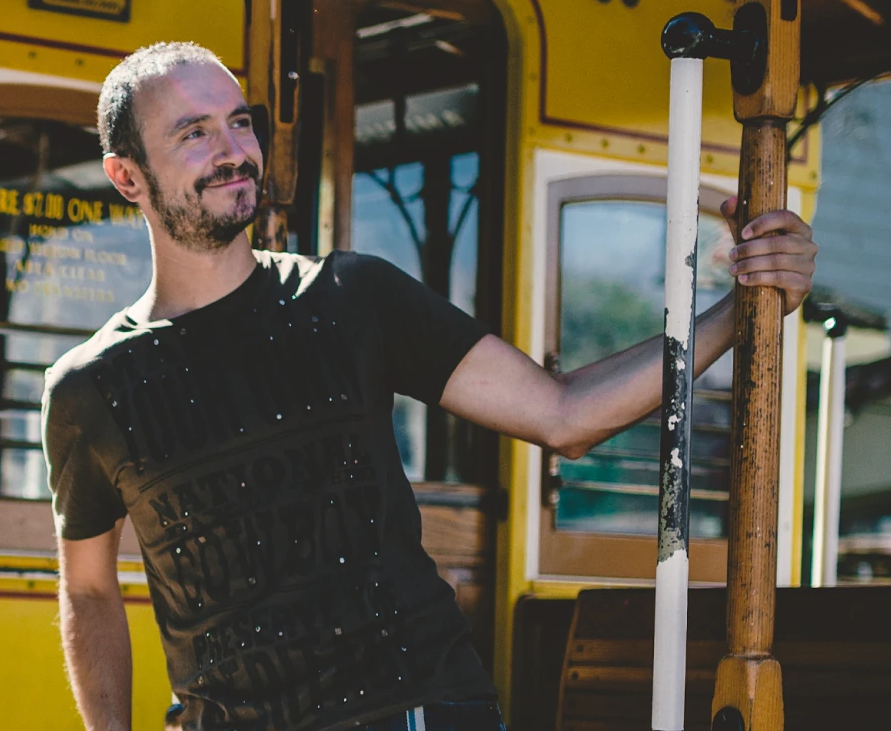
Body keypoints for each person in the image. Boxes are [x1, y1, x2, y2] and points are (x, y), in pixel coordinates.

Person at [46, 42, 816, 731]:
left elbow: (565, 414)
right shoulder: (91, 387)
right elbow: (87, 590)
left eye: (239, 122)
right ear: (127, 176)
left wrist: (743, 310)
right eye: (194, 132)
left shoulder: (351, 298)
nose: (233, 150)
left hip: (415, 708)